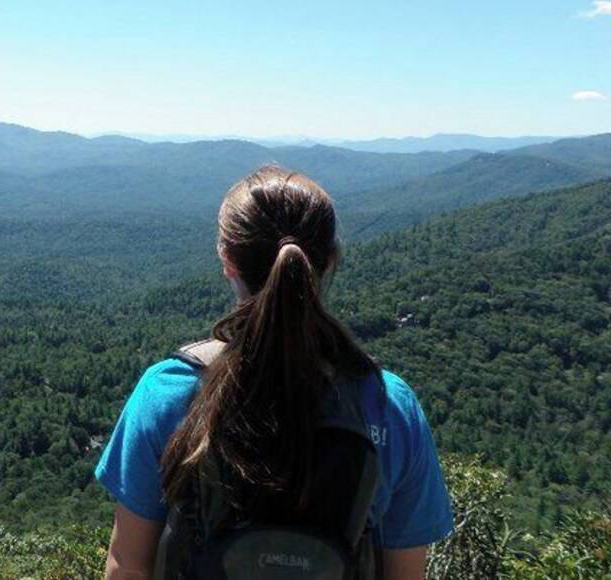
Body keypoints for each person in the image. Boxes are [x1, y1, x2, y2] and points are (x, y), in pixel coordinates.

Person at [95, 165, 454, 579]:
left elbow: (128, 565)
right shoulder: (389, 406)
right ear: (329, 260)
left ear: (227, 260)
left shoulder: (168, 393)